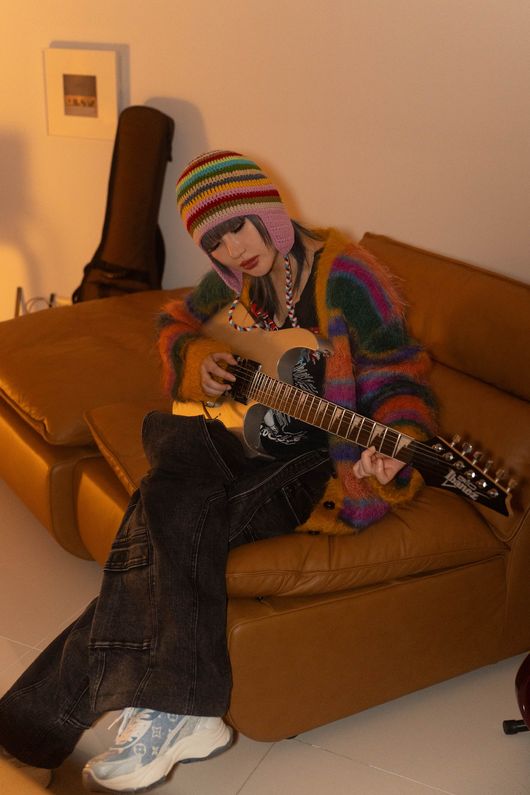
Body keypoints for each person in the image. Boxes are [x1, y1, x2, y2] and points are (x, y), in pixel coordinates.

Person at [0, 150, 437, 793]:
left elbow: (401, 375)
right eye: (213, 243)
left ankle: (40, 730)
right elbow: (174, 323)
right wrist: (196, 355)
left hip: (315, 462)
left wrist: (399, 444)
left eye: (237, 228)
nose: (232, 251)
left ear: (266, 210)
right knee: (172, 462)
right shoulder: (236, 280)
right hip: (239, 440)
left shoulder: (348, 277)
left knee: (160, 521)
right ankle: (173, 709)